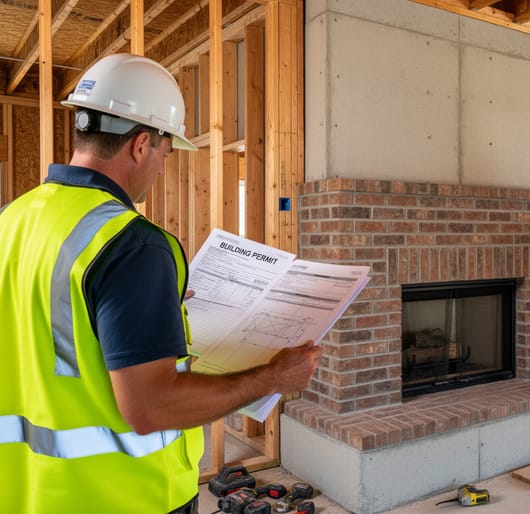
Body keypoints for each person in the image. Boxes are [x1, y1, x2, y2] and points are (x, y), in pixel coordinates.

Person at [0, 54, 323, 513]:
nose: (161, 167)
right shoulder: (133, 245)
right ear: (141, 144)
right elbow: (151, 407)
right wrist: (273, 376)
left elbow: (53, 328)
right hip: (122, 497)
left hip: (27, 493)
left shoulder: (11, 219)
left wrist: (147, 309)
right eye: (165, 153)